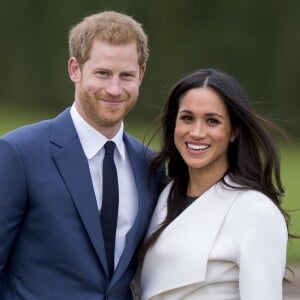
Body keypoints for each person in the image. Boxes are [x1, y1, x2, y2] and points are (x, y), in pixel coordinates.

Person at [0, 11, 164, 299]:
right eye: (102, 73)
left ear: (141, 74)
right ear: (75, 69)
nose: (114, 89)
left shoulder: (151, 166)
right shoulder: (19, 153)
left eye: (126, 75)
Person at [132, 68, 290, 299]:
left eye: (212, 121)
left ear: (234, 130)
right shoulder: (162, 194)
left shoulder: (255, 211)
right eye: (187, 118)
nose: (197, 132)